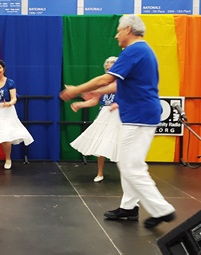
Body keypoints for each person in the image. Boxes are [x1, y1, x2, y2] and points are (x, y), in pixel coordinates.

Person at [60, 15, 176, 228]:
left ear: (128, 29)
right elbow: (116, 86)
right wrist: (95, 93)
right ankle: (129, 207)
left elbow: (107, 79)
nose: (116, 35)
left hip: (139, 115)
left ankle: (163, 209)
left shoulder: (134, 51)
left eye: (119, 31)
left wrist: (77, 89)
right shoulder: (142, 51)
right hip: (140, 114)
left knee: (131, 166)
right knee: (129, 162)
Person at [70, 56, 121, 183]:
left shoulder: (122, 82)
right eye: (107, 65)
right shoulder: (103, 83)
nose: (109, 66)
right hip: (105, 113)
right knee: (100, 144)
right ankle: (100, 172)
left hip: (118, 115)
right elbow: (94, 100)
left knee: (121, 144)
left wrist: (118, 105)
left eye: (112, 65)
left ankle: (127, 175)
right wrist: (79, 104)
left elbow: (130, 98)